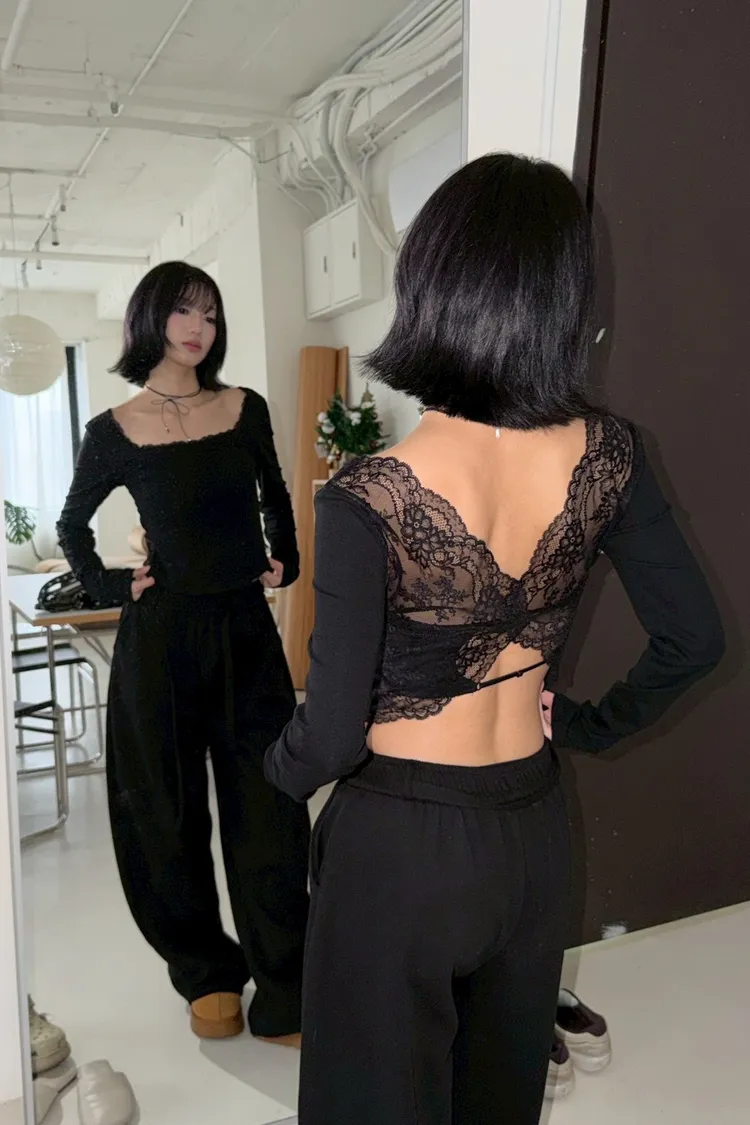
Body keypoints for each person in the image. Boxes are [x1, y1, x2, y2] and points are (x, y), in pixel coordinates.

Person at [264, 154, 725, 1123]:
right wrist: (585, 725)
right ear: (561, 297)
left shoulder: (365, 496)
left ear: (431, 283)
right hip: (534, 833)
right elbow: (695, 639)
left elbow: (331, 736)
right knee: (498, 1101)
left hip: (400, 846)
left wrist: (265, 769)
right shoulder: (611, 453)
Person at [58, 262, 309, 1046]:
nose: (199, 327)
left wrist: (285, 556)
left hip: (245, 632)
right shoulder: (114, 429)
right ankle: (207, 972)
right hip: (160, 638)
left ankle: (286, 981)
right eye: (183, 312)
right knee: (163, 813)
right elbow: (71, 524)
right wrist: (111, 581)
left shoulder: (243, 408)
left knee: (268, 803)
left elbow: (274, 491)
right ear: (151, 320)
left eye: (210, 313)